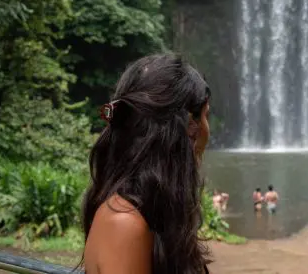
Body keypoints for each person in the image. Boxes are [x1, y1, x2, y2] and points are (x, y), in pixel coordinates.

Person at [81, 53, 212, 274]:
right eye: (206, 115)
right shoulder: (124, 224)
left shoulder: (149, 213)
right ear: (189, 127)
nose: (209, 130)